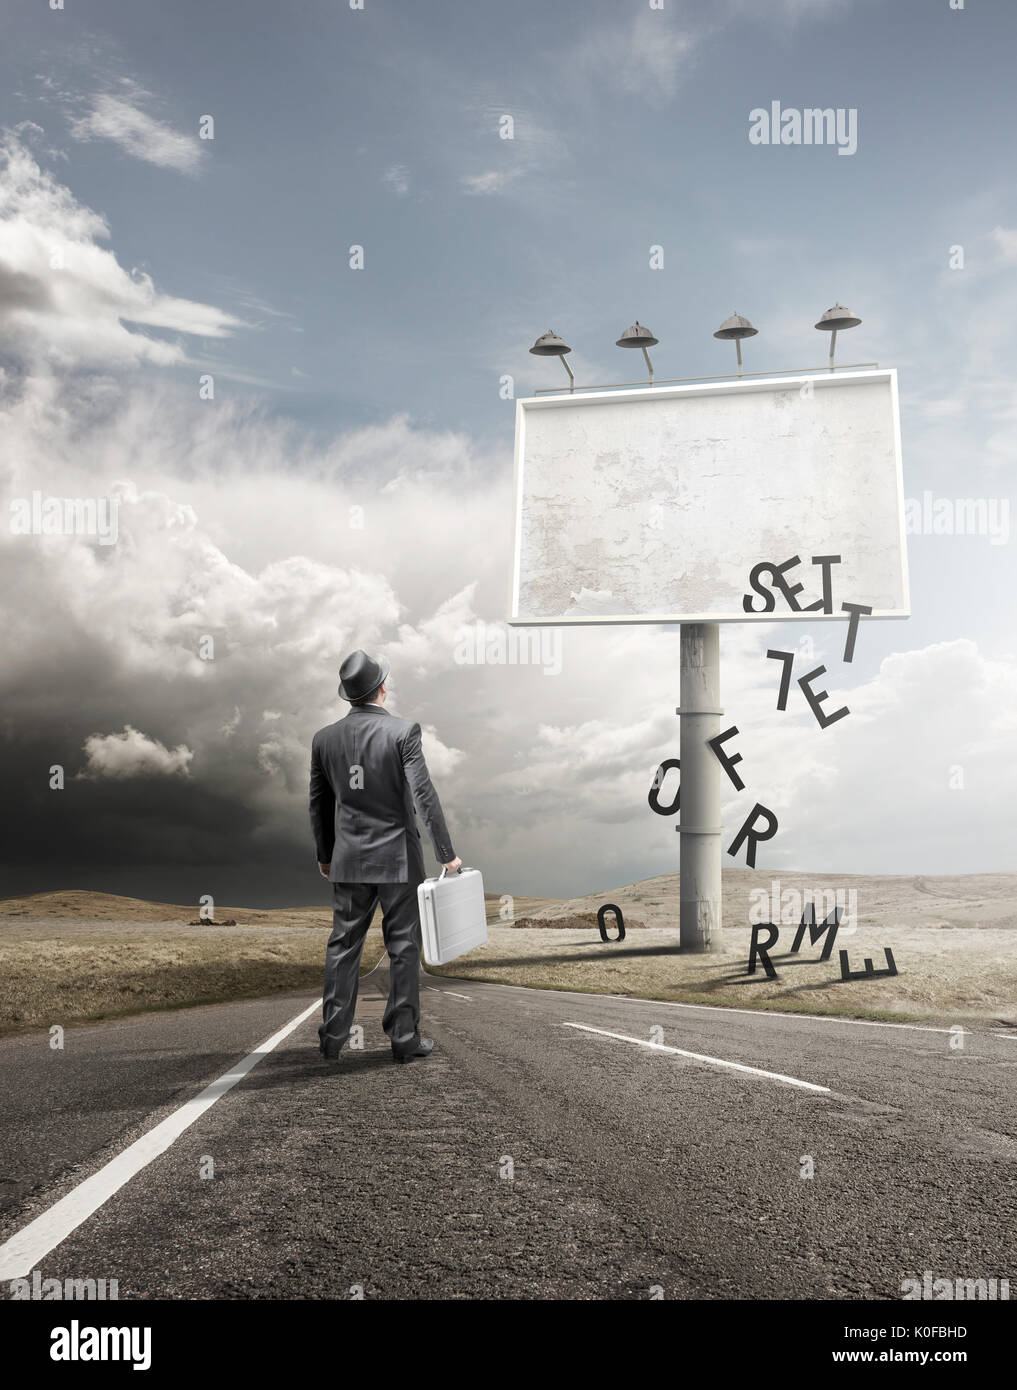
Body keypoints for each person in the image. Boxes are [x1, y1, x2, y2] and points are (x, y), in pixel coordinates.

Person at [308, 649, 461, 1065]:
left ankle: (331, 1039)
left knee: (342, 947)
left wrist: (326, 855)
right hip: (397, 860)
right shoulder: (403, 732)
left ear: (349, 695)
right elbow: (423, 795)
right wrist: (446, 854)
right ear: (382, 688)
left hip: (348, 861)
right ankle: (403, 1037)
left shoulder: (323, 739)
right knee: (403, 948)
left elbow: (319, 805)